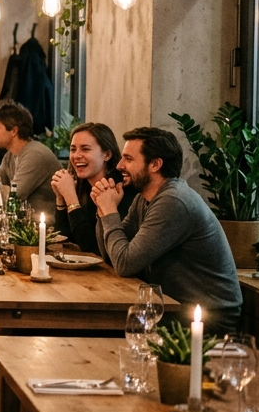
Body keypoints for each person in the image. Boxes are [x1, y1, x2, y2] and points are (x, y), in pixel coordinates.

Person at [93, 127, 243, 332]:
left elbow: (124, 263)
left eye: (128, 159)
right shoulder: (144, 198)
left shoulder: (174, 201)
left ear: (155, 164)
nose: (119, 165)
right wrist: (103, 210)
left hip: (207, 319)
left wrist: (110, 211)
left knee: (102, 329)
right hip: (174, 309)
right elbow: (111, 255)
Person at [49, 122, 136, 255]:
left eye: (85, 149)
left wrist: (71, 199)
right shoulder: (82, 184)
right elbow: (63, 239)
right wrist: (61, 200)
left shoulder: (117, 188)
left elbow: (92, 246)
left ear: (107, 155)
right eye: (73, 149)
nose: (76, 155)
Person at [0, 101, 61, 220]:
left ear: (14, 131)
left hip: (46, 232)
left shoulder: (35, 154)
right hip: (24, 229)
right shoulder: (10, 156)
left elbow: (9, 200)